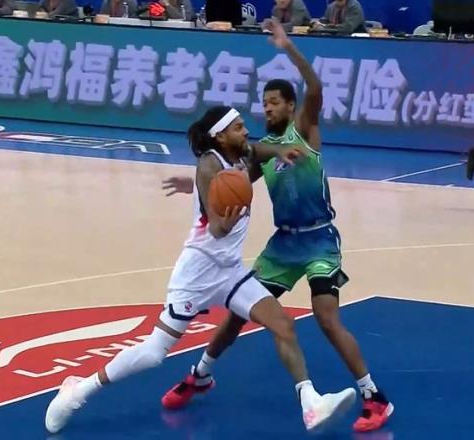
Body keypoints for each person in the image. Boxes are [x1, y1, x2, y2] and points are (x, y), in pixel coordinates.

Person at [44, 105, 357, 435]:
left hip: (230, 271)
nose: (245, 131)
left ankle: (311, 404)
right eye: (237, 127)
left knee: (283, 324)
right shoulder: (209, 165)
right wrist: (227, 220)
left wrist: (280, 150)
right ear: (219, 136)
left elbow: (258, 150)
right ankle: (78, 390)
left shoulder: (240, 152)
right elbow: (217, 229)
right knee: (153, 353)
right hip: (197, 273)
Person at [161, 18, 394, 434]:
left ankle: (374, 396)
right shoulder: (261, 153)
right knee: (238, 311)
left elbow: (316, 87)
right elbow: (230, 184)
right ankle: (200, 374)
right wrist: (196, 185)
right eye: (264, 103)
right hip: (284, 245)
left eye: (274, 102)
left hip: (319, 240)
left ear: (290, 106)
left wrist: (288, 46)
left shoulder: (304, 131)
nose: (267, 108)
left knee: (326, 317)